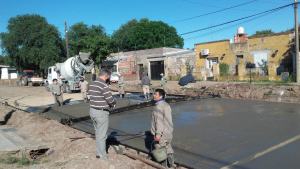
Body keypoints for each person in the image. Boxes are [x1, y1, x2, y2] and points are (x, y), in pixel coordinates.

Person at [89, 68, 116, 159]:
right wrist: (113, 104)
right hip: (101, 112)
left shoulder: (92, 83)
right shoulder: (103, 85)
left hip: (92, 110)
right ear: (107, 76)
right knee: (102, 136)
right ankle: (102, 156)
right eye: (109, 77)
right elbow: (110, 99)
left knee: (98, 134)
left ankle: (98, 153)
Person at [151, 89, 175, 168]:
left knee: (160, 150)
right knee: (168, 148)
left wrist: (158, 135)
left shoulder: (158, 107)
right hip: (169, 132)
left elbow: (159, 122)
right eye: (154, 94)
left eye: (156, 95)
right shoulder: (166, 105)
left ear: (161, 96)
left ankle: (163, 167)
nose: (154, 96)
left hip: (162, 134)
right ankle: (172, 165)